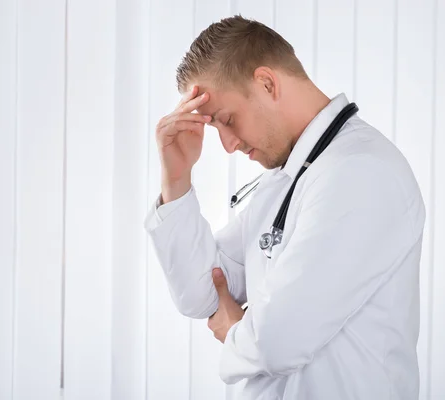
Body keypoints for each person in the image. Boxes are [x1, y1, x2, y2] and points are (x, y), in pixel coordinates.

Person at [144, 15, 426, 400]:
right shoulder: (289, 177)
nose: (227, 145)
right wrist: (176, 181)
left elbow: (278, 341)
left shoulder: (360, 172)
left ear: (266, 83)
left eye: (227, 120)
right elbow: (201, 294)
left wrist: (235, 331)